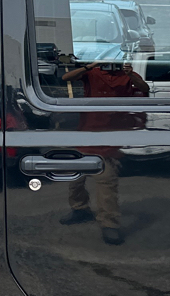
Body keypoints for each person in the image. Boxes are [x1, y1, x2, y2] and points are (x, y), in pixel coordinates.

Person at [58, 58, 149, 245]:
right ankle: (79, 209)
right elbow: (66, 77)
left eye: (115, 64)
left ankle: (110, 224)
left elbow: (144, 88)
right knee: (75, 177)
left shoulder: (126, 76)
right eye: (107, 63)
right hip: (86, 132)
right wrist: (89, 67)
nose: (111, 67)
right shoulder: (93, 73)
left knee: (106, 181)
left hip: (110, 135)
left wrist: (130, 74)